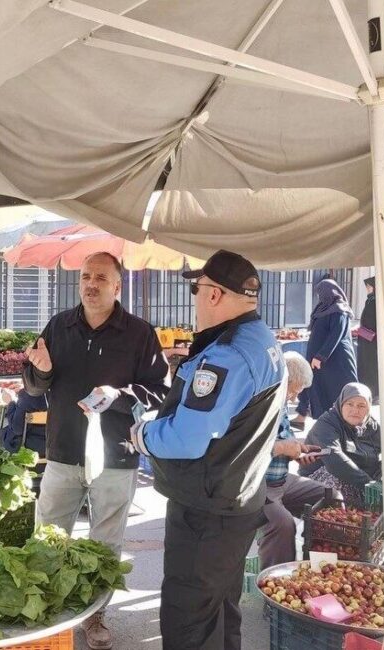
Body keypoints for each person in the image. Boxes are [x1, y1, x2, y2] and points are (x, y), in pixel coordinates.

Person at [128, 250, 286, 650]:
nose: (195, 296)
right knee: (220, 612)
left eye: (197, 288)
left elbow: (187, 439)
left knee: (188, 622)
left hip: (207, 510)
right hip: (239, 501)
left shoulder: (226, 356)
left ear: (214, 294)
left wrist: (142, 434)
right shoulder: (264, 340)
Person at [23, 251, 169, 650]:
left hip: (116, 454)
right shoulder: (58, 325)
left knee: (104, 542)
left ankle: (95, 615)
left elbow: (159, 391)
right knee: (48, 535)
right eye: (86, 276)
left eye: (101, 277)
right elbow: (35, 387)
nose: (91, 283)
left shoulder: (140, 334)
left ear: (117, 286)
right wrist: (41, 369)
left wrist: (118, 395)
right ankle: (48, 609)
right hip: (64, 449)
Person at [299, 382, 384, 507]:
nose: (355, 410)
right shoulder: (326, 424)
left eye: (361, 406)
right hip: (321, 479)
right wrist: (370, 485)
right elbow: (335, 461)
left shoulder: (371, 427)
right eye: (350, 404)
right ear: (341, 404)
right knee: (336, 480)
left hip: (361, 478)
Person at [259, 352, 327, 569]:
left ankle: (319, 565)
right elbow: (245, 449)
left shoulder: (281, 406)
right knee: (283, 525)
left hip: (281, 480)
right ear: (283, 381)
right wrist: (282, 448)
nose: (294, 398)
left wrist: (299, 448)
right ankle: (275, 582)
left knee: (329, 496)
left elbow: (282, 439)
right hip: (259, 484)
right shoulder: (260, 404)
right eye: (293, 391)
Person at [298, 278, 358, 420]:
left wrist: (321, 356)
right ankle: (322, 419)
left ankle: (347, 421)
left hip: (336, 360)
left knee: (340, 390)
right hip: (322, 361)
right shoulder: (322, 308)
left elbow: (335, 335)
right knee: (320, 389)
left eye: (321, 293)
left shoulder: (339, 309)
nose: (320, 296)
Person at [356, 277, 379, 399]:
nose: (367, 289)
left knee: (371, 367)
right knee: (366, 365)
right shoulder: (370, 300)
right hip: (366, 340)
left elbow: (372, 322)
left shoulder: (375, 302)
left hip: (372, 342)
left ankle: (373, 392)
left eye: (369, 287)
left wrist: (362, 330)